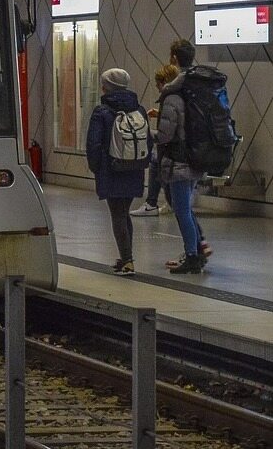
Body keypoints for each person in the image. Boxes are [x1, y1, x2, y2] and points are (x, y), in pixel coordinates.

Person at [156, 40, 232, 275]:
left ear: (174, 59)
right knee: (186, 208)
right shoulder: (198, 90)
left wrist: (151, 134)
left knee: (182, 211)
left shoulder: (174, 95)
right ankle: (196, 251)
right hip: (198, 156)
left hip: (178, 161)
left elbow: (166, 134)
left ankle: (192, 255)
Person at [85, 69, 149, 276]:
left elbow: (93, 143)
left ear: (106, 87)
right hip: (134, 167)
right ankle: (126, 257)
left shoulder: (102, 112)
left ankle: (128, 262)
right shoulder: (139, 109)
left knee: (118, 214)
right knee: (124, 212)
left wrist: (95, 167)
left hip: (111, 168)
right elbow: (147, 140)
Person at [133, 62, 180, 217]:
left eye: (158, 83)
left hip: (174, 150)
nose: (157, 87)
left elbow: (163, 136)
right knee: (156, 162)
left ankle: (153, 203)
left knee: (157, 163)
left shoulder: (170, 99)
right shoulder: (181, 96)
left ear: (164, 82)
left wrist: (145, 133)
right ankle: (157, 203)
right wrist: (160, 114)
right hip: (180, 148)